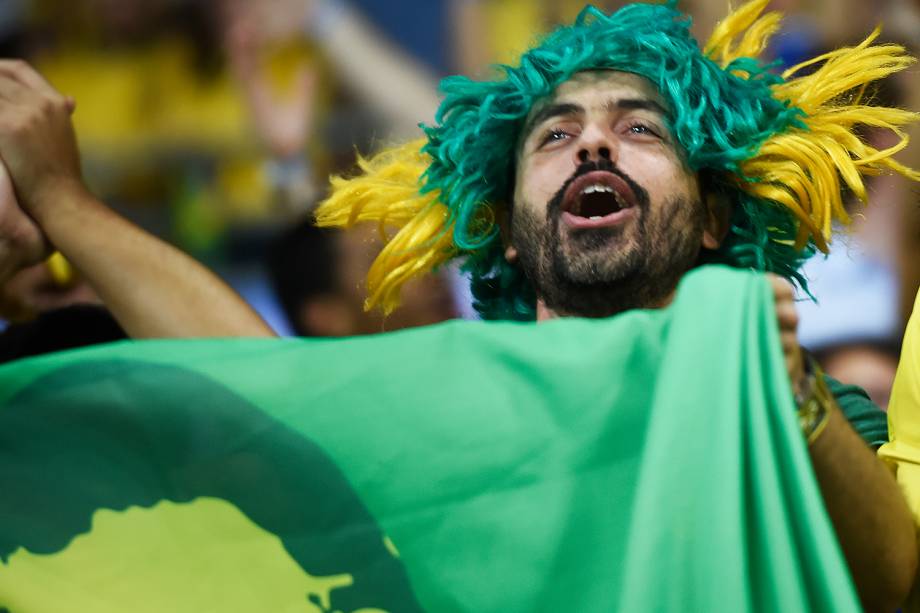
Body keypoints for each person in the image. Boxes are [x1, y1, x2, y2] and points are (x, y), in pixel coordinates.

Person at [0, 0, 916, 608]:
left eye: (640, 128)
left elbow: (895, 582)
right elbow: (247, 378)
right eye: (555, 136)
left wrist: (785, 390)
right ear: (509, 231)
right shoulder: (446, 398)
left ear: (713, 215)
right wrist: (63, 202)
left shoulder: (789, 397)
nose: (594, 146)